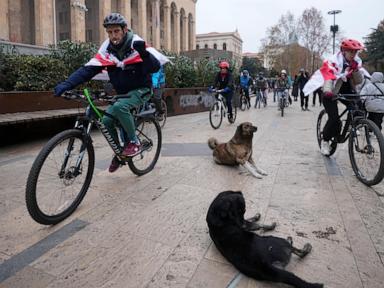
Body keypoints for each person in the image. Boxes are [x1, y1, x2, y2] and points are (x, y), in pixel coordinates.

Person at [54, 12, 168, 172]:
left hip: (141, 90)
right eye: (109, 32)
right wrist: (67, 84)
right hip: (122, 93)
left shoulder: (136, 45)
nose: (113, 35)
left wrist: (144, 54)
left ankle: (134, 142)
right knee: (107, 121)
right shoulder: (107, 52)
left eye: (116, 31)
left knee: (120, 107)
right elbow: (86, 70)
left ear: (124, 29)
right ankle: (121, 154)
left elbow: (154, 67)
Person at [303, 38, 367, 155]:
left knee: (359, 107)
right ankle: (325, 141)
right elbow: (328, 78)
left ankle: (352, 126)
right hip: (331, 90)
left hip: (347, 89)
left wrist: (356, 69)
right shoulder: (333, 62)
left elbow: (358, 81)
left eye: (355, 52)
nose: (353, 54)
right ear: (344, 51)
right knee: (334, 120)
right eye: (351, 52)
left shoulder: (356, 62)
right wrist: (327, 91)